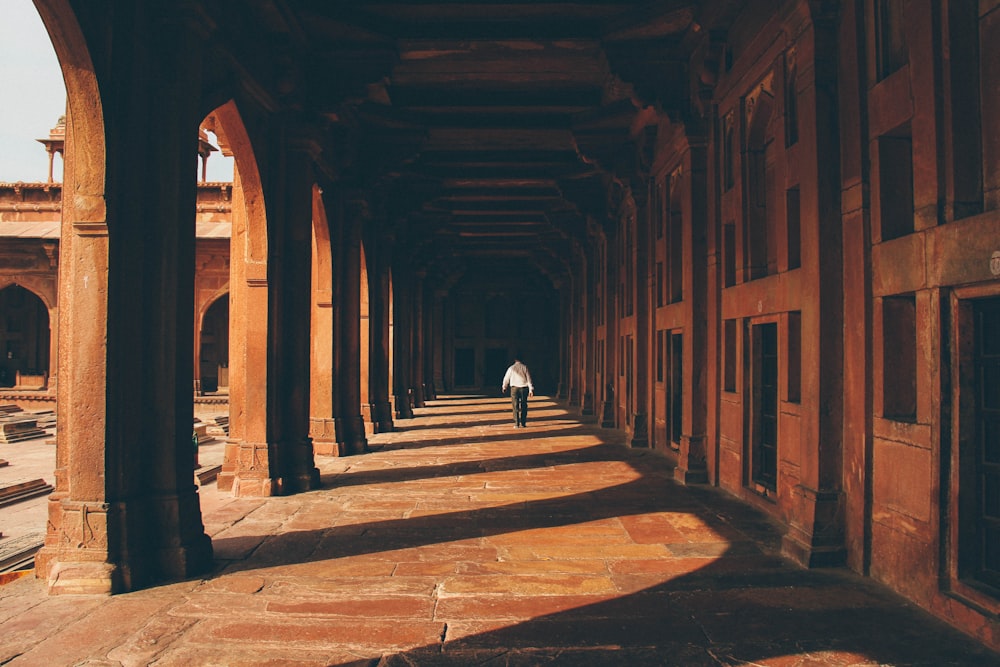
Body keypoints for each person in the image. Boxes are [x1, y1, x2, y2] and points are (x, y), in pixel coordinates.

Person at [501, 356, 534, 427]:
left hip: (514, 388)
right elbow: (529, 379)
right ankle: (523, 423)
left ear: (515, 360)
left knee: (515, 405)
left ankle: (516, 423)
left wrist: (504, 386)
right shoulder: (525, 367)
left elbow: (506, 378)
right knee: (524, 405)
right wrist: (531, 389)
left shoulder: (511, 368)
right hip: (523, 388)